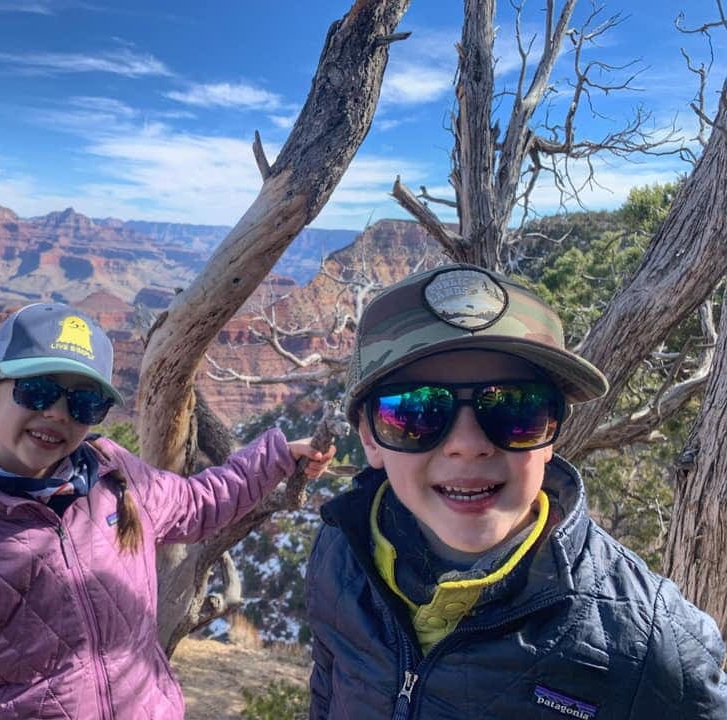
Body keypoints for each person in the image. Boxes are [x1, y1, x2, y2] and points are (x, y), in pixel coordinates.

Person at [306, 264, 727, 719]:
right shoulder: (341, 554)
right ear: (369, 437)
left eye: (514, 408)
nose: (468, 445)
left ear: (553, 431)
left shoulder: (648, 639)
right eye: (416, 412)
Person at [0, 301, 333, 720]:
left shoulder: (116, 476)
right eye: (38, 391)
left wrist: (276, 456)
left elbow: (198, 503)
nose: (59, 413)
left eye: (84, 402)